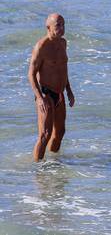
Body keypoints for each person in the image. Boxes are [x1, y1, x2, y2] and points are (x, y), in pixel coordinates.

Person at [28, 13, 75, 162]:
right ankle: (38, 169)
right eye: (58, 25)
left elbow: (63, 69)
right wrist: (40, 98)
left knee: (60, 132)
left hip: (60, 93)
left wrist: (69, 91)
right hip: (46, 94)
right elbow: (31, 74)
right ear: (48, 27)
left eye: (63, 24)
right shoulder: (41, 47)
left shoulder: (63, 43)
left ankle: (53, 164)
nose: (62, 28)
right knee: (45, 135)